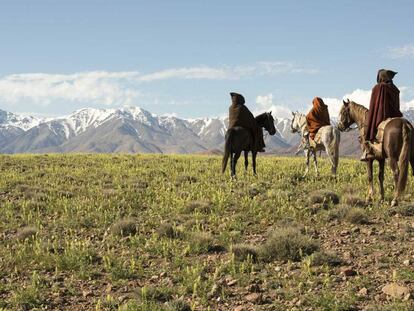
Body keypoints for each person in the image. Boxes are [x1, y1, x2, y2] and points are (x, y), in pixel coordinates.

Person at [361, 69, 402, 161]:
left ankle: (369, 150)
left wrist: (371, 117)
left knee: (369, 126)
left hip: (382, 116)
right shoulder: (395, 89)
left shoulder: (378, 88)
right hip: (396, 116)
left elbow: (373, 106)